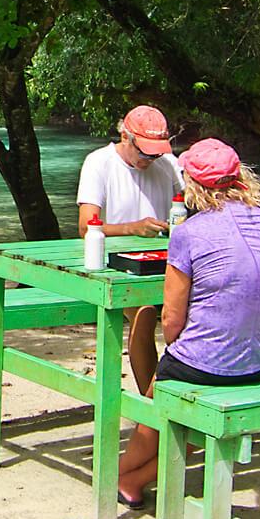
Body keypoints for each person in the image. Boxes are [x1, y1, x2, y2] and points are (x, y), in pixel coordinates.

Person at [116, 139, 260, 508]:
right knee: (190, 388)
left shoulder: (189, 232)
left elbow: (172, 317)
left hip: (213, 366)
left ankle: (123, 475)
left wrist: (178, 347)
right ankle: (132, 478)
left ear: (192, 184)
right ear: (241, 178)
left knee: (159, 397)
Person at [77, 105, 186, 393]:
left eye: (156, 152)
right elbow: (86, 227)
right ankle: (151, 400)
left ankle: (177, 388)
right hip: (117, 266)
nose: (150, 158)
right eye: (144, 152)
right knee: (144, 311)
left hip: (167, 262)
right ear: (126, 136)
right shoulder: (99, 163)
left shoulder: (168, 164)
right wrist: (132, 228)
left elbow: (191, 202)